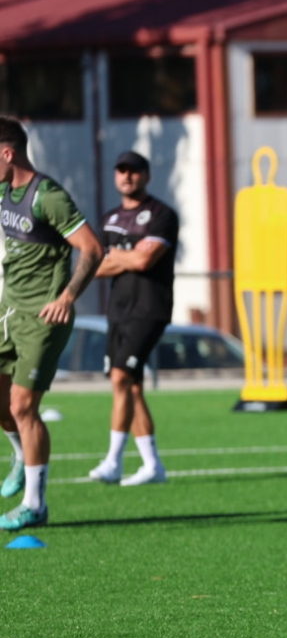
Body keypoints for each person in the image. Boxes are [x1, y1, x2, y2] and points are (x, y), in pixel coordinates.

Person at [0, 117, 105, 529]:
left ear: (7, 153)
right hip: (8, 312)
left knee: (22, 407)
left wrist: (68, 296)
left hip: (43, 318)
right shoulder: (4, 190)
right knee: (2, 404)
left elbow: (92, 249)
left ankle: (35, 505)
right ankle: (20, 454)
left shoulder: (49, 196)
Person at [87, 150, 178, 486]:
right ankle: (153, 465)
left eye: (134, 171)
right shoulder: (110, 218)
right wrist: (124, 255)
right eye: (122, 170)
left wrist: (115, 255)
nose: (127, 176)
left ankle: (113, 461)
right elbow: (94, 266)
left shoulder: (161, 214)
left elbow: (144, 261)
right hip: (118, 310)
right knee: (133, 386)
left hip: (150, 309)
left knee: (120, 377)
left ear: (147, 176)